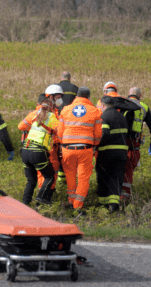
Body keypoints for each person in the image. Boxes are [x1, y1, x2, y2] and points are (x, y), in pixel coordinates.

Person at [58, 86, 102, 215]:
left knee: (70, 176)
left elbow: (60, 132)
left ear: (76, 96)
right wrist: (94, 144)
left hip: (67, 149)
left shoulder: (65, 110)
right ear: (89, 97)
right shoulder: (95, 111)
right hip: (85, 149)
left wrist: (63, 143)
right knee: (83, 178)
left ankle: (71, 201)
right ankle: (77, 206)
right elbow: (98, 134)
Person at [18, 97, 63, 205]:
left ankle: (25, 202)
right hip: (37, 151)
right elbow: (61, 132)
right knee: (49, 176)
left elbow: (22, 126)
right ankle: (41, 197)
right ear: (52, 108)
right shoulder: (51, 116)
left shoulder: (35, 115)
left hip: (25, 150)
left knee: (31, 180)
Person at [122, 87, 151, 202]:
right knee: (128, 172)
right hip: (133, 145)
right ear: (140, 96)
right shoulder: (144, 107)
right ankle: (124, 197)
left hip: (118, 142)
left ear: (128, 94)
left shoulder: (120, 103)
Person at [96, 95, 129, 213]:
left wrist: (97, 145)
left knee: (103, 178)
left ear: (104, 105)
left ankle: (103, 205)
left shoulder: (104, 116)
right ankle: (114, 205)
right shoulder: (122, 116)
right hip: (121, 154)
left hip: (107, 152)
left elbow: (104, 133)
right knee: (116, 178)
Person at [56, 72, 80, 186]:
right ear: (70, 78)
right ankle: (70, 175)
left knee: (59, 146)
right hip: (71, 121)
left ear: (61, 78)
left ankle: (60, 178)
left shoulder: (56, 87)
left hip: (57, 119)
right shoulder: (75, 88)